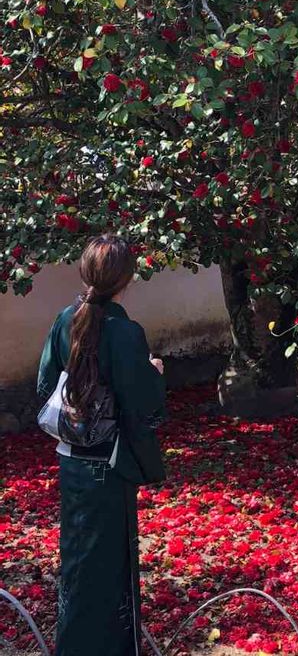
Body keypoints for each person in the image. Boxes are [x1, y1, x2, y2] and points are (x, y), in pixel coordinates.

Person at [37, 234, 166, 656]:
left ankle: (74, 645)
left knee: (78, 557)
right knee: (110, 563)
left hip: (71, 461)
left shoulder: (63, 320)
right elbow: (142, 407)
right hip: (110, 465)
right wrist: (153, 374)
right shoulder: (125, 332)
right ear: (125, 279)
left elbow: (45, 387)